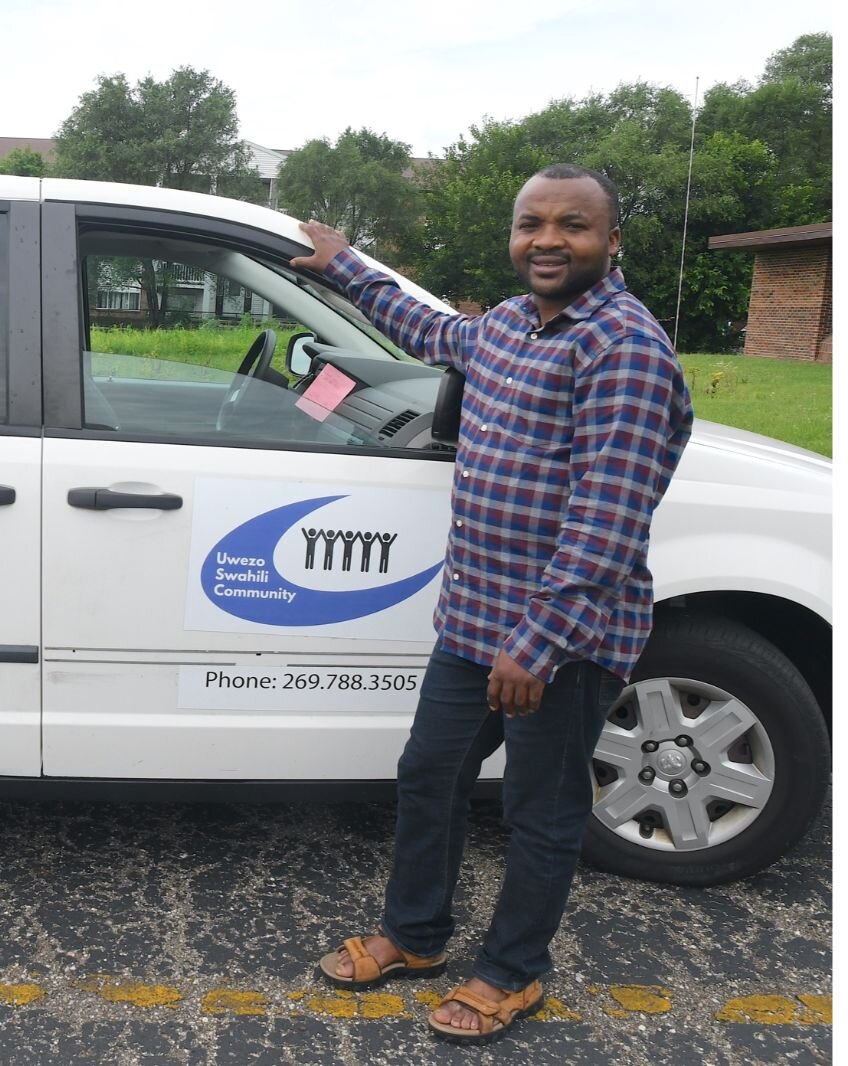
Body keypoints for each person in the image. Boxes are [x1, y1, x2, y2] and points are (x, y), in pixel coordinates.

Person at [290, 164, 693, 1043]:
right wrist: (345, 265)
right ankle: (417, 936)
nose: (548, 240)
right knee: (428, 775)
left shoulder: (622, 346)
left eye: (573, 226)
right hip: (474, 625)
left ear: (611, 241)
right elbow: (432, 330)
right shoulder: (510, 326)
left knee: (539, 813)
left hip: (559, 639)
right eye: (531, 224)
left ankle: (513, 974)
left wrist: (538, 641)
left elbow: (609, 516)